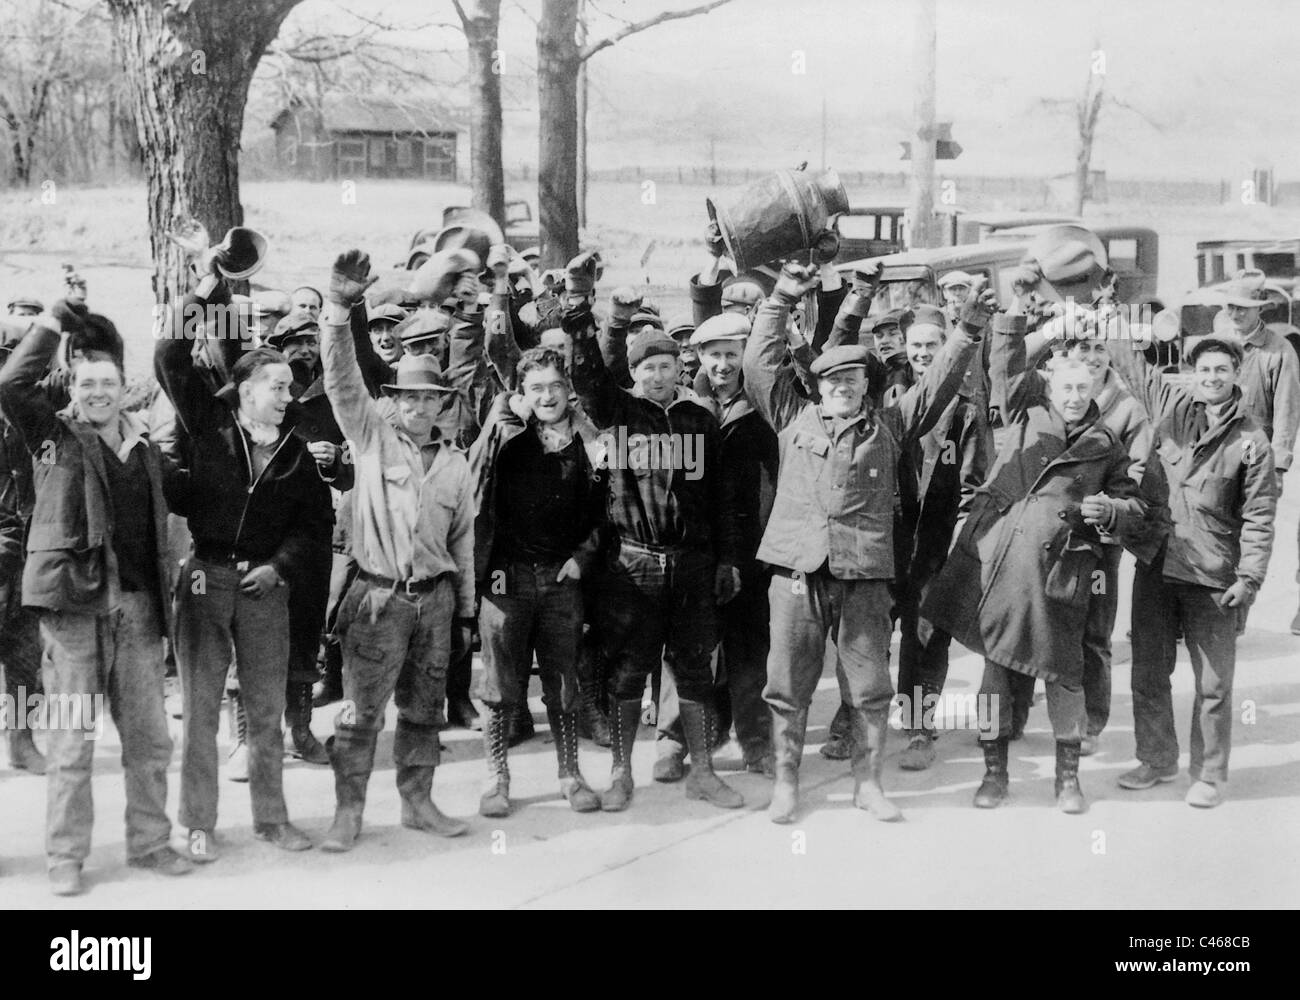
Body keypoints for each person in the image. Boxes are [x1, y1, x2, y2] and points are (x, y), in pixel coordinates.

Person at [744, 261, 986, 824]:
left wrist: (967, 333)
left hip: (864, 577)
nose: (843, 388)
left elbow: (939, 383)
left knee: (870, 687)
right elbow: (760, 362)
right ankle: (786, 784)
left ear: (865, 387)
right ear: (818, 387)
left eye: (853, 380)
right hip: (797, 574)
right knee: (787, 686)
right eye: (833, 381)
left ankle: (868, 784)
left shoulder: (891, 426)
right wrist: (780, 296)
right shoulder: (790, 417)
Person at [922, 300, 1146, 814]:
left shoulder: (1107, 443)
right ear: (1050, 386)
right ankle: (994, 774)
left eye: (1083, 388)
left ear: (1097, 389)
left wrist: (1111, 510)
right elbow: (1002, 362)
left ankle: (1068, 780)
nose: (1073, 396)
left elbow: (1136, 504)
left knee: (1065, 674)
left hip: (1063, 576)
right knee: (997, 672)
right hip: (1007, 568)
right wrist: (1038, 323)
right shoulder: (1023, 411)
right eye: (1065, 386)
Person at [0, 305, 192, 895]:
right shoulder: (52, 437)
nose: (99, 393)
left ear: (123, 388)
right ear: (72, 388)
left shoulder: (146, 448)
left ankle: (152, 842)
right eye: (87, 384)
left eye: (109, 384)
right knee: (72, 738)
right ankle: (65, 857)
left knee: (150, 739)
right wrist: (54, 321)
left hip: (137, 610)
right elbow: (11, 382)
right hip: (74, 611)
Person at [156, 256, 333, 861]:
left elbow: (316, 524)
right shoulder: (209, 423)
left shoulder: (297, 449)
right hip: (206, 578)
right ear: (248, 389)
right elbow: (169, 357)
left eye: (290, 387)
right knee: (202, 714)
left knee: (266, 713)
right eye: (277, 387)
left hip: (265, 589)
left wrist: (279, 566)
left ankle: (272, 820)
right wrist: (210, 285)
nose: (288, 396)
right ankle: (198, 824)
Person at [318, 250, 474, 851]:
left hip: (433, 603)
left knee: (424, 710)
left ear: (442, 404)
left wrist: (463, 614)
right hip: (377, 599)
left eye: (429, 398)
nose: (418, 407)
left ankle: (418, 803)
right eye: (408, 398)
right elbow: (340, 379)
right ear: (395, 401)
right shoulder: (371, 437)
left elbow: (462, 545)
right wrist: (338, 305)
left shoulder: (456, 465)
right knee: (360, 714)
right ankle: (347, 813)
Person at [569, 305, 744, 813]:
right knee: (628, 670)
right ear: (634, 372)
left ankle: (704, 772)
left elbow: (724, 498)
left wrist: (728, 561)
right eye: (648, 367)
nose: (659, 375)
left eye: (667, 365)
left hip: (690, 562)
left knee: (694, 670)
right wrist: (589, 316)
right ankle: (621, 774)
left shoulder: (699, 420)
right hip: (633, 565)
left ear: (680, 368)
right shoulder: (618, 413)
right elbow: (586, 373)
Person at [1109, 334, 1277, 808]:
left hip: (1213, 575)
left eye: (1222, 370)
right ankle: (1157, 759)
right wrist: (1102, 308)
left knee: (1214, 685)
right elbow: (1132, 365)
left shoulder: (1252, 443)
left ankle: (1208, 774)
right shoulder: (1172, 408)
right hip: (1157, 563)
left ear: (1236, 373)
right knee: (1147, 673)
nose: (1212, 378)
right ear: (1193, 373)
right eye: (1204, 370)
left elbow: (1260, 516)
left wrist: (1250, 579)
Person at [469, 341, 606, 817]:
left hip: (561, 578)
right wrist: (509, 415)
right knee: (500, 684)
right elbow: (478, 474)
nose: (547, 396)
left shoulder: (591, 444)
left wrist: (582, 558)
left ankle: (570, 774)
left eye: (555, 386)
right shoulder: (507, 435)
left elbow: (608, 511)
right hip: (506, 577)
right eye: (535, 389)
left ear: (569, 390)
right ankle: (497, 778)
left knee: (563, 682)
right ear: (521, 393)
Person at [1212, 271, 1300, 634]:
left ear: (1260, 308)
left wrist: (1278, 467)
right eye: (1230, 306)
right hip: (1216, 454)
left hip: (1256, 458)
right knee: (1215, 528)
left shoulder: (1279, 351)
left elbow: (1286, 412)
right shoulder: (1216, 344)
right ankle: (1209, 608)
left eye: (1243, 308)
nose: (1235, 313)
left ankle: (1236, 615)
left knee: (1251, 534)